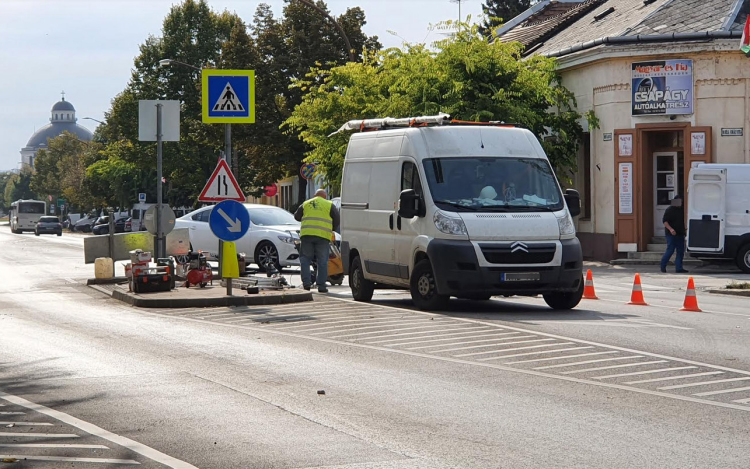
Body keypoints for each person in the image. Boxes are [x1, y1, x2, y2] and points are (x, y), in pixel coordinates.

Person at [294, 189, 340, 292]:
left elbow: (297, 216)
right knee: (322, 261)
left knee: (305, 259)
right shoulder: (329, 204)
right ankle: (321, 286)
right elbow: (337, 218)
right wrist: (332, 228)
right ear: (325, 196)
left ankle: (306, 284)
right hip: (323, 236)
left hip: (307, 235)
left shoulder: (306, 204)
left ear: (315, 195)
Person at [661, 194, 689, 274]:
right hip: (671, 234)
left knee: (680, 251)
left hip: (680, 233)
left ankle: (679, 268)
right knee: (670, 250)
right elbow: (665, 221)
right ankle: (663, 265)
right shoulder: (670, 210)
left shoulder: (682, 209)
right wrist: (671, 229)